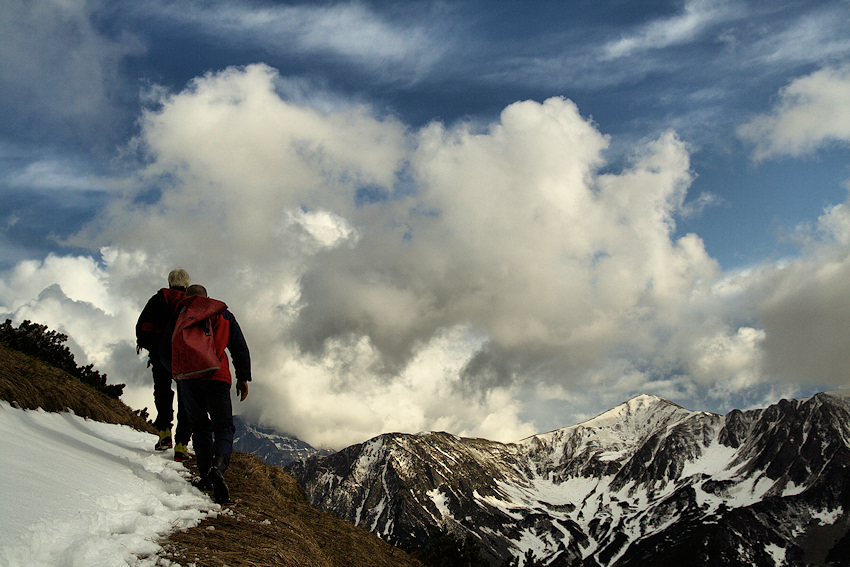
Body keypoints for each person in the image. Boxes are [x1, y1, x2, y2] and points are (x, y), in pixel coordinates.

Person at [169, 284, 251, 504]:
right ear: (206, 296)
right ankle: (219, 465)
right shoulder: (222, 314)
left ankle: (205, 476)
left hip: (189, 379)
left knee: (199, 427)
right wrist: (243, 377)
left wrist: (176, 373)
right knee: (223, 426)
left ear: (187, 297)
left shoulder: (181, 315)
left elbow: (166, 346)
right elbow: (238, 346)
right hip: (217, 376)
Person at [136, 268, 192, 458]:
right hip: (184, 359)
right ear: (187, 285)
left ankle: (164, 433)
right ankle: (182, 444)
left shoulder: (157, 300)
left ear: (169, 282)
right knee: (186, 398)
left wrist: (154, 347)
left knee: (162, 392)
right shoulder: (190, 304)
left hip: (160, 356)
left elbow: (141, 327)